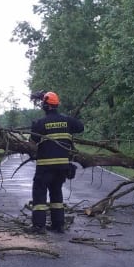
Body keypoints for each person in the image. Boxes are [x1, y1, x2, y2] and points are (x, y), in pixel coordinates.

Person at [27, 91, 84, 234]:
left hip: (45, 167)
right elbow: (80, 127)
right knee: (56, 193)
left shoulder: (40, 124)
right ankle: (58, 225)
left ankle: (39, 226)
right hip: (62, 167)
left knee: (39, 195)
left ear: (45, 106)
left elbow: (31, 144)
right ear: (57, 105)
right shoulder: (67, 121)